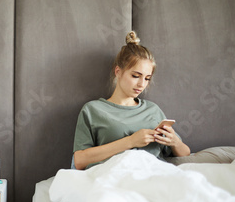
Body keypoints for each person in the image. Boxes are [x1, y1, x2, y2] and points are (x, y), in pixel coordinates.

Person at [73, 31, 190, 170]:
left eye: (147, 78)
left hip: (154, 173)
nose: (142, 84)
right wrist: (131, 141)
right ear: (118, 72)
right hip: (113, 176)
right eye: (136, 76)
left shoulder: (152, 110)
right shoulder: (93, 110)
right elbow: (79, 161)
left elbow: (185, 153)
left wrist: (175, 142)